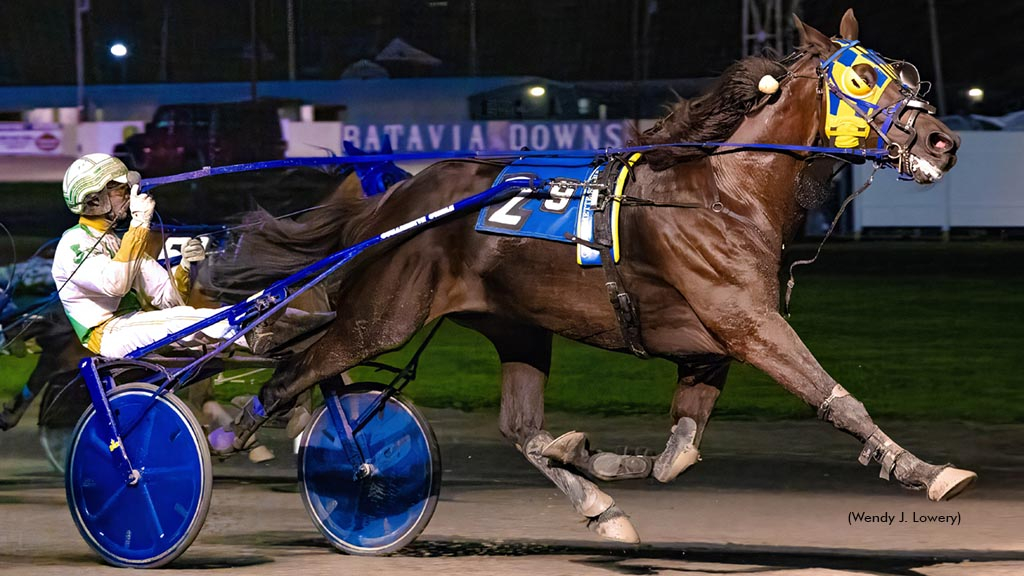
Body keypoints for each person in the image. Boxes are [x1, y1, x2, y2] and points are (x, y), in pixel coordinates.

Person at [53, 153, 243, 357]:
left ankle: (254, 322)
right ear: (94, 201)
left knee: (185, 317)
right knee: (182, 320)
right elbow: (115, 284)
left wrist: (186, 265)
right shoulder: (73, 244)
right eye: (121, 190)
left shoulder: (118, 243)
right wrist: (139, 222)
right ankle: (248, 331)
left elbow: (166, 298)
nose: (129, 195)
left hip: (132, 324)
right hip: (108, 334)